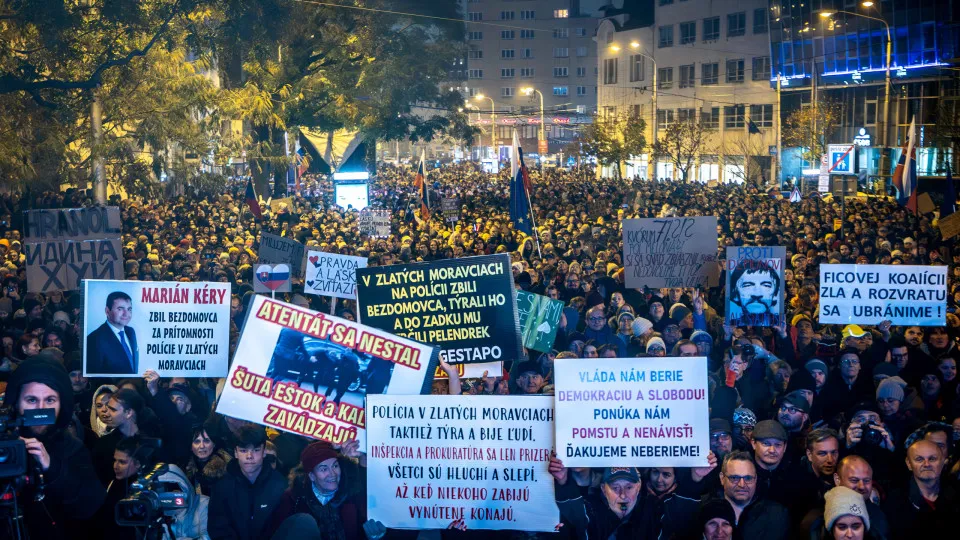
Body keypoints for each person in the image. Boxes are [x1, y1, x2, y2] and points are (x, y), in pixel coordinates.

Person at [1, 353, 106, 539]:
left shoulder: (73, 448)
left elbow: (89, 506)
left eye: (50, 400)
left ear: (61, 404)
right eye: (31, 400)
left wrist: (52, 468)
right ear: (16, 402)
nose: (41, 408)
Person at [267, 440, 366, 539]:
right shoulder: (292, 500)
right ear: (311, 476)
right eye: (323, 469)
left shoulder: (352, 492)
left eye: (335, 466)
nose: (332, 474)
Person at [208, 425, 287, 540]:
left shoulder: (280, 485)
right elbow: (218, 528)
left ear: (264, 452)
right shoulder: (222, 487)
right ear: (235, 453)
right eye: (243, 450)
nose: (249, 456)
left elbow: (283, 528)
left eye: (255, 450)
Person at [551, 461, 663, 539]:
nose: (623, 495)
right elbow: (574, 512)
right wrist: (562, 481)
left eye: (629, 487)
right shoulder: (590, 511)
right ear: (604, 489)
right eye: (615, 488)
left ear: (638, 487)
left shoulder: (653, 513)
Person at [883, 439, 960, 538]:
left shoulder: (956, 495)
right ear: (909, 464)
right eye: (919, 459)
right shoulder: (895, 501)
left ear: (943, 462)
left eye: (932, 459)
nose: (927, 464)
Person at [713, 451, 790, 539]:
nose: (742, 484)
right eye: (734, 478)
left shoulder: (777, 515)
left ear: (755, 479)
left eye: (748, 478)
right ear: (722, 478)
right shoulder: (704, 508)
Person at [86, 290, 139, 374]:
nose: (126, 314)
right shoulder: (94, 339)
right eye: (120, 309)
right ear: (107, 311)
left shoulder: (130, 332)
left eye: (129, 309)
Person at [727, 258, 781, 327]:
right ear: (735, 295)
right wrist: (728, 336)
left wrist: (783, 335)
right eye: (748, 285)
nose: (757, 294)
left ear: (775, 294)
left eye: (766, 285)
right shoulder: (730, 326)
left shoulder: (781, 325)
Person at [185, 424, 233, 496]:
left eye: (206, 441)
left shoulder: (228, 467)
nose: (202, 446)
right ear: (191, 447)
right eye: (197, 442)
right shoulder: (185, 467)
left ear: (214, 444)